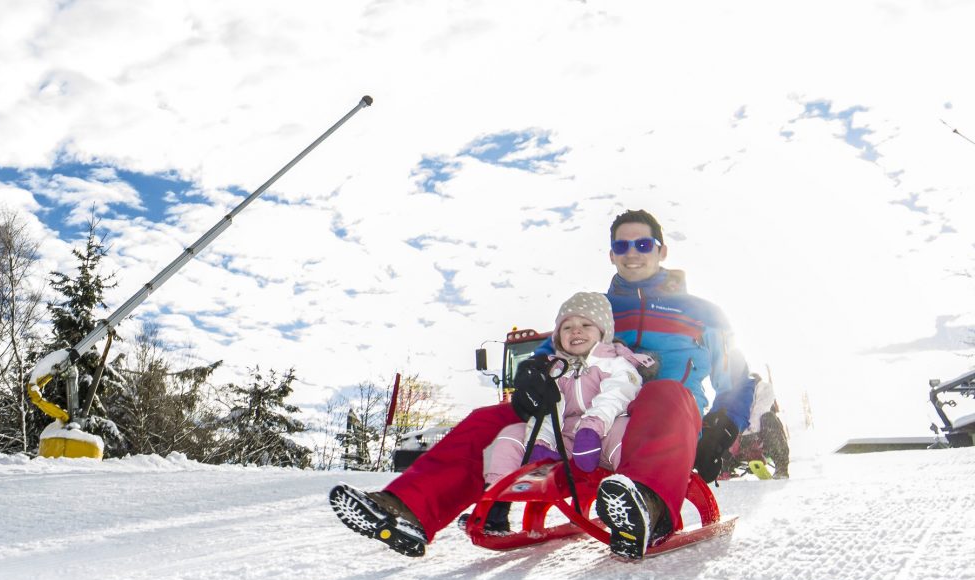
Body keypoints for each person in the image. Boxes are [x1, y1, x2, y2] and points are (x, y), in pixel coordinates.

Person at [329, 209, 755, 559]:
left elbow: (735, 375)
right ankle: (407, 509)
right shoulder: (595, 310)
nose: (633, 253)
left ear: (661, 250)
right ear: (611, 255)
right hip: (584, 417)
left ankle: (645, 506)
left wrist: (723, 427)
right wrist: (532, 373)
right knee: (492, 419)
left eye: (643, 244)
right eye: (622, 246)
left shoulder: (702, 312)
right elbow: (550, 354)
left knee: (665, 392)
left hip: (663, 419)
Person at [477, 291, 656, 532]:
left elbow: (617, 394)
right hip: (568, 443)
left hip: (605, 435)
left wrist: (592, 427)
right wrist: (542, 443)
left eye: (585, 324)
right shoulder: (555, 371)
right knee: (511, 434)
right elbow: (549, 412)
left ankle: (635, 499)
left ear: (603, 332)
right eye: (567, 327)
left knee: (626, 434)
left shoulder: (616, 363)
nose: (576, 331)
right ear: (558, 338)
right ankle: (495, 508)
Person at [721, 374, 791, 479]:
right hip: (739, 445)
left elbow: (759, 411)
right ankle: (724, 468)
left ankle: (781, 468)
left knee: (768, 417)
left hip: (763, 442)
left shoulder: (763, 388)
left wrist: (749, 435)